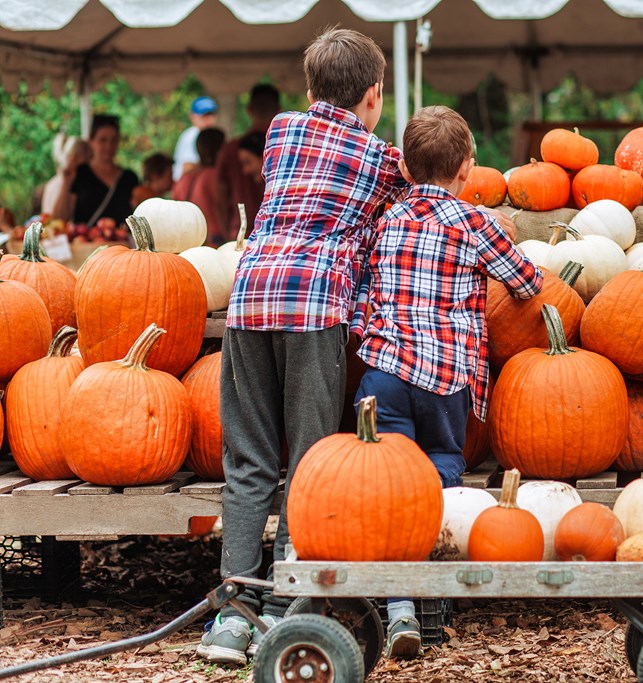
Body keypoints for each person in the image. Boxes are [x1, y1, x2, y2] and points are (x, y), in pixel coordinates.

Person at [197, 27, 408, 667]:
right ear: (374, 95)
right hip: (314, 308)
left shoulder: (282, 131)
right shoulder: (382, 159)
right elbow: (402, 212)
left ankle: (232, 615)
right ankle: (290, 604)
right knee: (312, 461)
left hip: (251, 297)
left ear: (310, 88)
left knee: (250, 456)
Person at [350, 105, 541, 659]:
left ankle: (399, 604)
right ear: (467, 169)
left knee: (391, 488)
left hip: (383, 374)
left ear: (406, 170)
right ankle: (432, 594)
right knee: (439, 475)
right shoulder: (474, 221)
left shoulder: (387, 220)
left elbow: (364, 298)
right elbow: (527, 282)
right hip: (444, 377)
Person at [216, 84, 280, 241]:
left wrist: (226, 235)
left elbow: (220, 197)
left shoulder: (230, 149)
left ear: (249, 110)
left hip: (239, 233)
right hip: (277, 234)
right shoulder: (286, 147)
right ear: (278, 110)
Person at [52, 115, 139, 226]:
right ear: (91, 141)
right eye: (103, 140)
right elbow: (59, 218)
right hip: (85, 242)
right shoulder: (80, 173)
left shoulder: (129, 178)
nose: (109, 146)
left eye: (114, 140)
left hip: (121, 242)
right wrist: (66, 184)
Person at [173, 128, 227, 244]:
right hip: (215, 238)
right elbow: (221, 206)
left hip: (189, 239)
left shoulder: (184, 178)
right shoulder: (215, 176)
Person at [41, 134, 91, 216]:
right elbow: (60, 218)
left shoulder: (51, 183)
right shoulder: (70, 185)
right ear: (73, 158)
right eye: (87, 161)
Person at [173, 96, 219, 181]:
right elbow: (187, 168)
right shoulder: (191, 135)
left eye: (211, 115)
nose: (208, 119)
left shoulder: (213, 136)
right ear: (192, 116)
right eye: (204, 116)